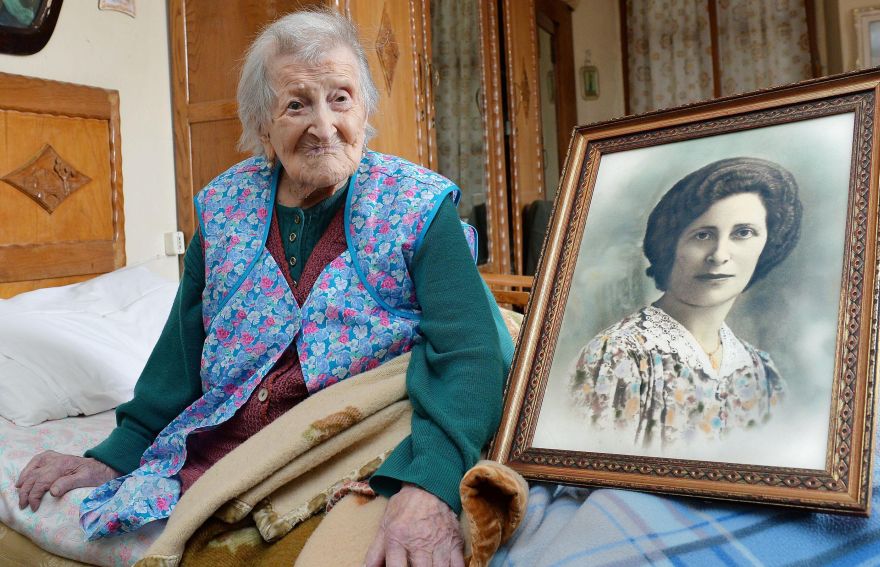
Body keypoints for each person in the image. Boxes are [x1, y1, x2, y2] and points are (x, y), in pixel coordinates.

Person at [15, 9, 509, 564]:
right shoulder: (225, 208)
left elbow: (471, 352)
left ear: (364, 106)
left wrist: (432, 484)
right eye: (296, 104)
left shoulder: (416, 205)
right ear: (261, 123)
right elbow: (182, 353)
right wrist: (117, 453)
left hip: (356, 447)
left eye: (340, 97)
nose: (323, 126)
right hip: (235, 447)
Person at [569, 157, 802, 450]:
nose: (719, 255)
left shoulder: (762, 372)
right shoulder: (618, 356)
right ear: (671, 244)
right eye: (703, 235)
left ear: (768, 244)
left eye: (743, 233)